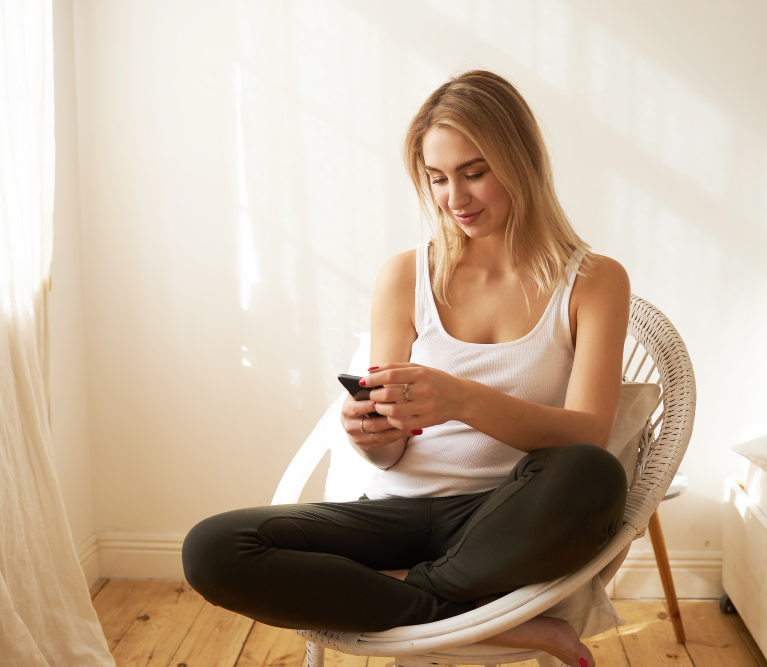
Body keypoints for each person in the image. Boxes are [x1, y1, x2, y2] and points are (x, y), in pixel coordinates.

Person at [182, 70, 630, 667]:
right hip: (393, 512)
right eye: (437, 178)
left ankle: (411, 597)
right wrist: (372, 434)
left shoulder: (594, 281)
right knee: (211, 548)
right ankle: (479, 621)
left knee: (592, 474)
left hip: (503, 520)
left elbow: (588, 434)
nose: (455, 199)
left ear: (522, 162)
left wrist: (461, 399)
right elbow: (389, 453)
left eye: (474, 173)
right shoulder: (404, 276)